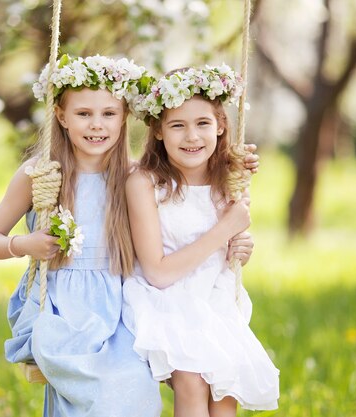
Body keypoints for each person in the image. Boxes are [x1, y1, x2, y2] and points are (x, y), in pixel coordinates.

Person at [0, 56, 259, 417]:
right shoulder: (41, 174)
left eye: (108, 114)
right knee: (101, 390)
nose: (97, 125)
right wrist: (24, 245)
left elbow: (191, 193)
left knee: (134, 383)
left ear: (124, 116)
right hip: (60, 308)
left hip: (119, 306)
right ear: (61, 116)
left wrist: (234, 164)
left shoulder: (133, 176)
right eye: (83, 115)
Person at [122, 65, 280, 417]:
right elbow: (158, 274)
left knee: (224, 392)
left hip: (214, 299)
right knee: (192, 380)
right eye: (178, 125)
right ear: (159, 131)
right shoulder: (145, 184)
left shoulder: (232, 178)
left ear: (221, 125)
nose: (192, 136)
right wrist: (224, 231)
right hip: (163, 300)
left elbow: (225, 252)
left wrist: (239, 248)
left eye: (203, 124)